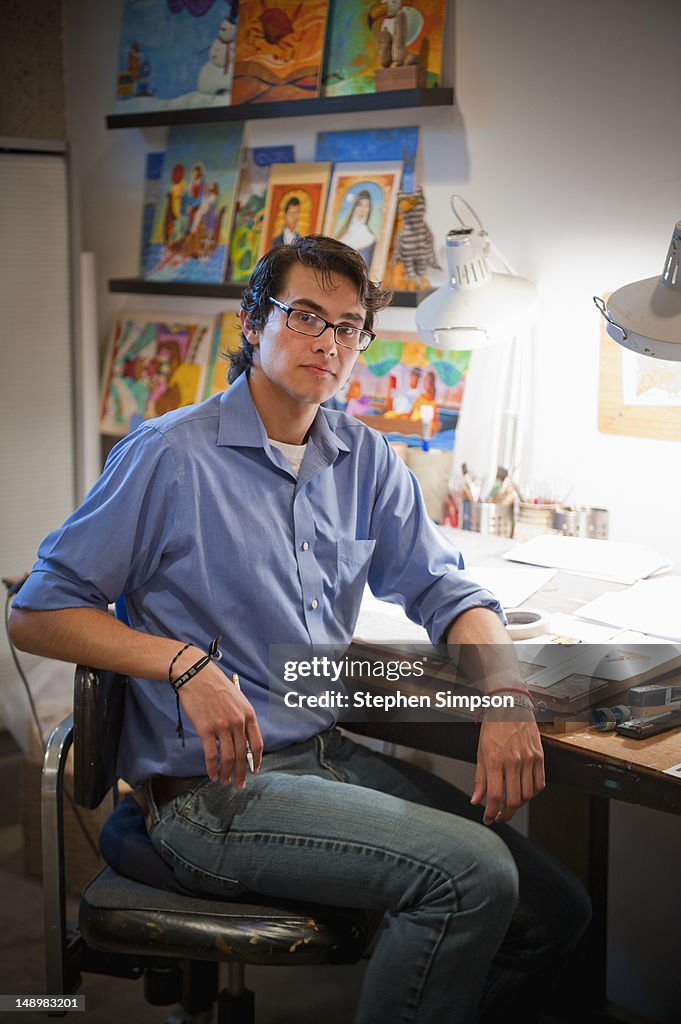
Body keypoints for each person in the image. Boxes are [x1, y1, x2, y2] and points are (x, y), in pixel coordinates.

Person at [9, 235, 589, 1024]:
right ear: (252, 322)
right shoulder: (168, 456)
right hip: (208, 794)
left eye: (349, 327)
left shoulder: (365, 458)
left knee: (555, 911)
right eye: (306, 316)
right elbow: (37, 612)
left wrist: (507, 694)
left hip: (325, 757)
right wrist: (182, 663)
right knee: (473, 874)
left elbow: (449, 591)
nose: (329, 342)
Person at [336, 188, 377, 267]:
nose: (362, 210)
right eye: (360, 205)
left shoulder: (371, 239)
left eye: (366, 206)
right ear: (354, 207)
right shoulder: (342, 234)